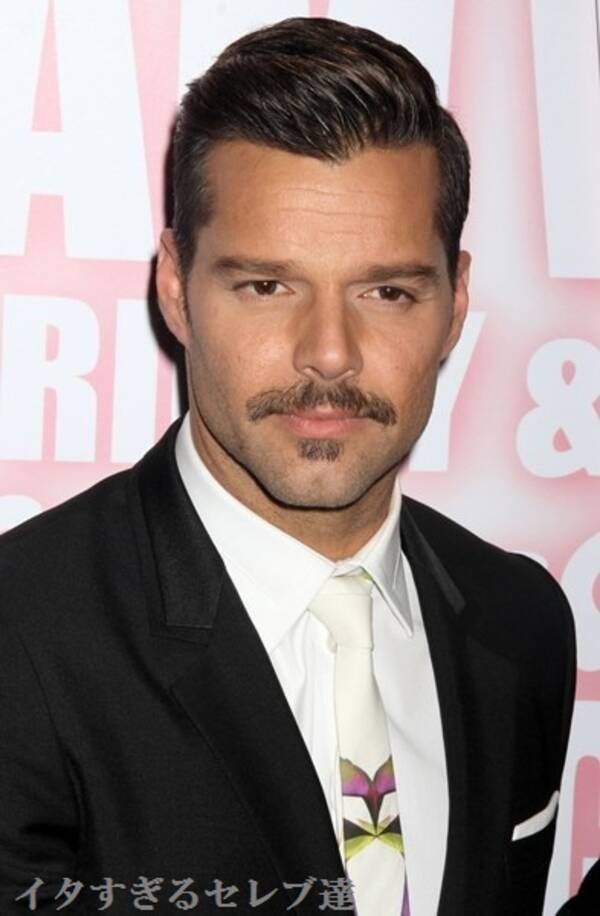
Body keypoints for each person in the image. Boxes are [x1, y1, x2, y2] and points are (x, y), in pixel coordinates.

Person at [0, 16, 576, 916]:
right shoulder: (21, 637)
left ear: (456, 300)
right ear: (176, 288)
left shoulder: (521, 621)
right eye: (267, 285)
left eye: (387, 290)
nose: (330, 353)